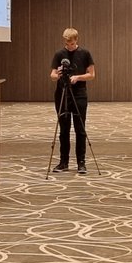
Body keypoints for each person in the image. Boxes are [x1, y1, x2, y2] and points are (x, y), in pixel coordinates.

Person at [49, 28, 97, 174]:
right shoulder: (59, 54)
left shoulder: (85, 53)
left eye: (71, 43)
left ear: (76, 40)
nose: (69, 46)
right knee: (64, 130)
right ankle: (63, 162)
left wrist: (78, 77)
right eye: (66, 43)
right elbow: (52, 76)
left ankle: (81, 162)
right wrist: (58, 74)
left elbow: (92, 75)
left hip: (79, 95)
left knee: (80, 129)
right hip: (62, 94)